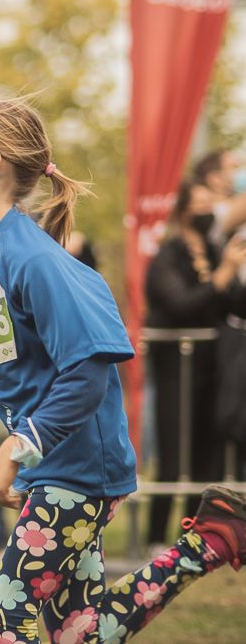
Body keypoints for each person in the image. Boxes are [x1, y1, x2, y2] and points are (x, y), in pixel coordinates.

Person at [0, 91, 246, 643]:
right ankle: (213, 539)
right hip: (47, 468)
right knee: (78, 632)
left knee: (5, 619)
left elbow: (90, 374)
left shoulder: (36, 261)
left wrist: (15, 448)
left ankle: (211, 539)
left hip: (79, 471)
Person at [143, 180, 246, 551]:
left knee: (207, 455)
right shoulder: (168, 255)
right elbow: (180, 304)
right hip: (175, 368)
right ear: (183, 209)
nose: (207, 210)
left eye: (210, 203)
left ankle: (194, 538)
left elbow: (234, 304)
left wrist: (235, 272)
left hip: (213, 369)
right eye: (199, 203)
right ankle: (156, 537)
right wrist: (222, 276)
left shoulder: (219, 251)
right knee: (174, 454)